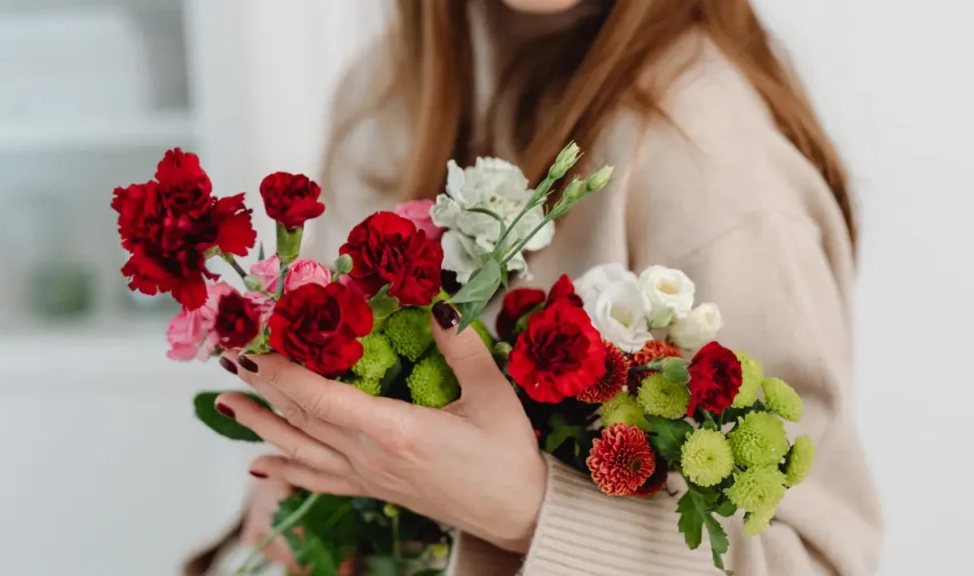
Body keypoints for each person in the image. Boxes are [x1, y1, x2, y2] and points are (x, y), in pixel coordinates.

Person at [187, 0, 882, 574]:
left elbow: (820, 559)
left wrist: (527, 511)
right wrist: (317, 519)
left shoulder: (712, 168)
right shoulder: (383, 99)